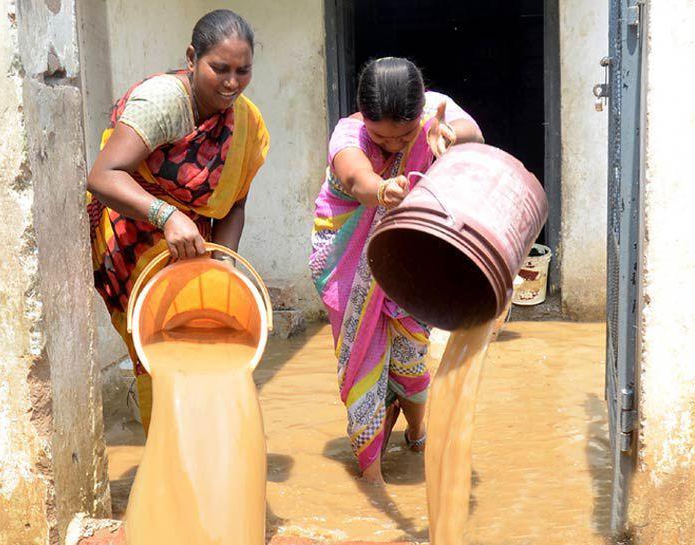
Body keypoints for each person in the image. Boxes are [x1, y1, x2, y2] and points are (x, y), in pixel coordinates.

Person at [86, 9, 269, 433]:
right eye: (219, 68)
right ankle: (167, 457)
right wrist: (165, 215)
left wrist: (224, 266)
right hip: (132, 233)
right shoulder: (164, 102)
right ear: (192, 57)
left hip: (189, 241)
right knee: (157, 349)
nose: (231, 83)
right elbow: (102, 176)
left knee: (207, 338)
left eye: (243, 71)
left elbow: (233, 205)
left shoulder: (245, 122)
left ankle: (203, 451)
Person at [309, 57, 483, 484]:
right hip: (350, 259)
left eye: (403, 136)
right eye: (380, 137)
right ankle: (371, 475)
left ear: (419, 112)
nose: (391, 147)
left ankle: (418, 432)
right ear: (363, 118)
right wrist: (383, 188)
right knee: (364, 358)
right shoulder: (348, 135)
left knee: (410, 353)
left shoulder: (435, 114)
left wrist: (449, 134)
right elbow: (355, 178)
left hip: (409, 257)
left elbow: (474, 135)